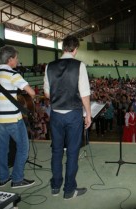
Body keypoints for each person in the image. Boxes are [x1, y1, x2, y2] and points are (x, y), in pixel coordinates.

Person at [43, 35, 91, 200]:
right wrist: (89, 115)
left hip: (56, 114)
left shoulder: (49, 66)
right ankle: (69, 190)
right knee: (72, 152)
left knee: (56, 151)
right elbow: (84, 94)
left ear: (62, 48)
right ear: (75, 49)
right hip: (73, 114)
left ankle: (56, 186)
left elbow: (47, 93)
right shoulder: (79, 66)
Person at [0, 46, 35, 188]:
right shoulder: (13, 74)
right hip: (13, 119)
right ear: (10, 60)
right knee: (23, 147)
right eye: (16, 58)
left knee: (2, 149)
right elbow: (31, 92)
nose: (18, 61)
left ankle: (3, 178)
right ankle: (17, 179)